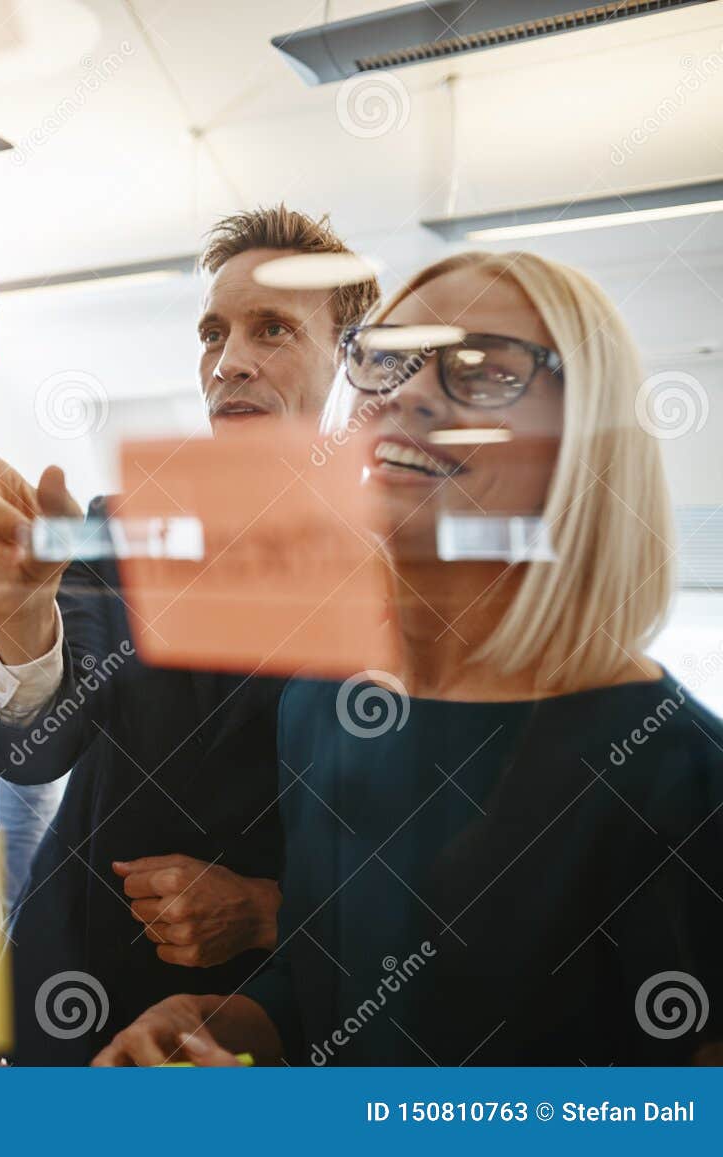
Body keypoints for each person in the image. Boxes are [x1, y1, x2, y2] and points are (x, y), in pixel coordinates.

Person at [94, 251, 723, 1066]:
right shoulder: (326, 706)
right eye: (387, 358)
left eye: (486, 369)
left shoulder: (677, 776)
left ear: (583, 446)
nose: (409, 392)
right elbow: (332, 978)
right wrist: (221, 1021)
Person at [0, 206, 380, 1063]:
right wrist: (23, 616)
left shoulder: (396, 583)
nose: (229, 361)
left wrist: (269, 908)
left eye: (271, 329)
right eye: (214, 332)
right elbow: (32, 749)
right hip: (64, 1002)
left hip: (247, 1032)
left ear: (350, 361)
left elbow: (426, 854)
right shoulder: (122, 526)